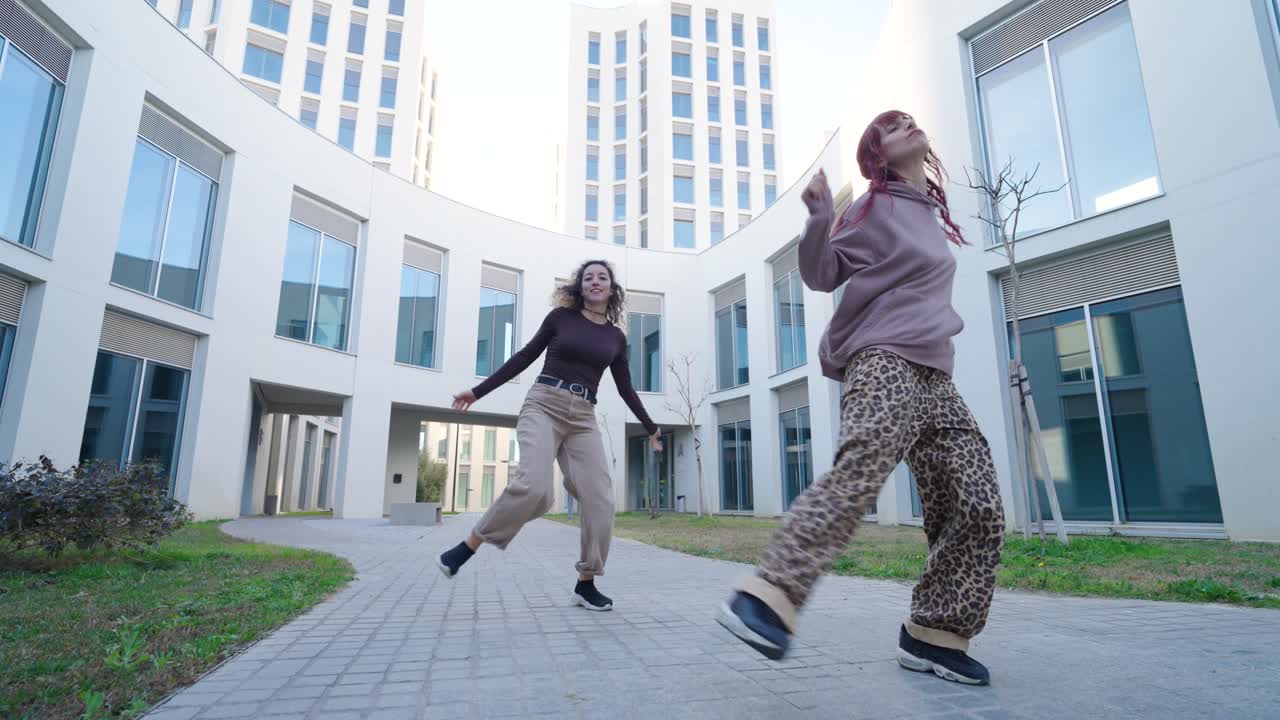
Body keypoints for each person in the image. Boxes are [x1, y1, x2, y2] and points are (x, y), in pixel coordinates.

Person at [715, 111, 1006, 685]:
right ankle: (768, 595)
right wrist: (820, 220)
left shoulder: (927, 212)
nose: (908, 125)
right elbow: (824, 274)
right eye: (892, 126)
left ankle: (935, 634)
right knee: (863, 467)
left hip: (936, 377)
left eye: (910, 120)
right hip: (884, 361)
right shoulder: (872, 207)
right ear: (876, 154)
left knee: (979, 503)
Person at [436, 259, 662, 612]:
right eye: (588, 278)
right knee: (536, 488)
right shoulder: (561, 319)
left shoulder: (615, 338)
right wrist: (477, 392)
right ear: (580, 287)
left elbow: (626, 388)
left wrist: (650, 427)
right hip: (544, 404)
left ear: (612, 289)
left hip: (583, 417)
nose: (595, 282)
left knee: (601, 499)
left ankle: (586, 583)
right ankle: (469, 545)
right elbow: (525, 357)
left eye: (602, 277)